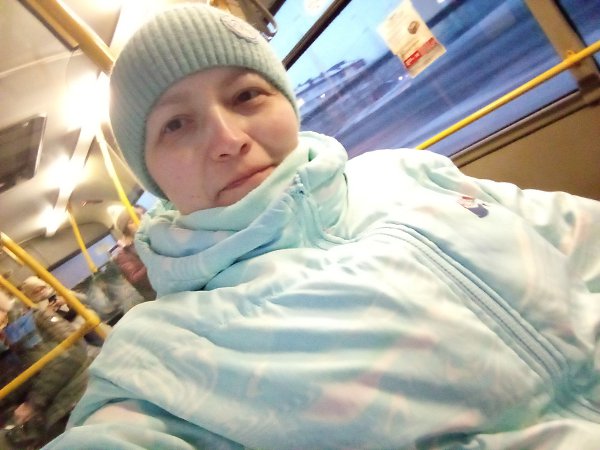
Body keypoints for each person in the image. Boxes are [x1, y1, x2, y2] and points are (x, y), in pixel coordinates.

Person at [45, 4, 600, 449]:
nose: (229, 139)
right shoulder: (163, 354)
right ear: (153, 177)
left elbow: (576, 236)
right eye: (176, 124)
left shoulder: (404, 170)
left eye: (246, 95)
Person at [0, 287, 89, 448]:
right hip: (56, 410)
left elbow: (74, 353)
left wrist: (33, 403)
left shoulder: (36, 318)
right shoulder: (7, 348)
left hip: (80, 392)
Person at [112, 205, 156, 301]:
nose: (140, 221)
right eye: (132, 221)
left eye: (142, 215)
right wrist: (154, 258)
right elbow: (137, 279)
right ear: (126, 231)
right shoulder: (124, 255)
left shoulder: (156, 235)